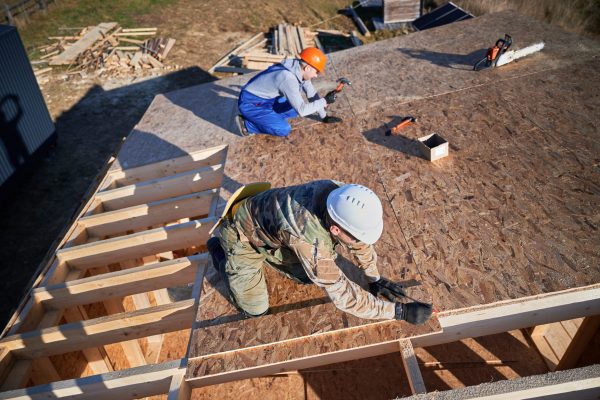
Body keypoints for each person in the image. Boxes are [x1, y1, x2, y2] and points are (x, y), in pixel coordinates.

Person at [207, 180, 433, 324]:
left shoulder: (342, 195)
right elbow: (344, 296)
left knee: (307, 277)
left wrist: (374, 278)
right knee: (256, 311)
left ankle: (269, 251)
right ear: (335, 228)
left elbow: (360, 243)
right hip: (241, 234)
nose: (359, 243)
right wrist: (398, 312)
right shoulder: (309, 241)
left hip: (271, 225)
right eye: (354, 237)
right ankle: (221, 254)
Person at [236, 47, 341, 137]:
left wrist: (324, 116)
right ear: (308, 68)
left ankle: (266, 118)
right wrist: (324, 101)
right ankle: (247, 125)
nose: (316, 75)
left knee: (293, 109)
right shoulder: (288, 79)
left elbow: (311, 93)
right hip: (251, 103)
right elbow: (302, 110)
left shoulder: (298, 68)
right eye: (316, 71)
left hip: (266, 100)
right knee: (283, 129)